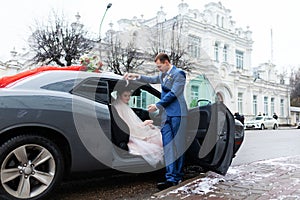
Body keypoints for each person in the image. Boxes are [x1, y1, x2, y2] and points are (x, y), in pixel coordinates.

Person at [124, 52, 188, 190]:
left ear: (166, 62)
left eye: (159, 66)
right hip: (166, 116)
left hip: (178, 114)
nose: (158, 69)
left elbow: (173, 93)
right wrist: (137, 76)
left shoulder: (179, 74)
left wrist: (157, 105)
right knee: (168, 146)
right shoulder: (163, 75)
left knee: (178, 145)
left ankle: (178, 175)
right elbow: (151, 79)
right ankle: (170, 178)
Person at [112, 89, 164, 167]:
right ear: (119, 95)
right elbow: (129, 125)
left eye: (129, 96)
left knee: (155, 131)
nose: (128, 98)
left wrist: (144, 125)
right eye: (125, 96)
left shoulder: (119, 105)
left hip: (130, 131)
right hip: (131, 133)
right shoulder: (120, 106)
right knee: (158, 135)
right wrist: (144, 124)